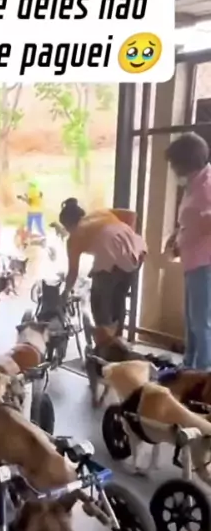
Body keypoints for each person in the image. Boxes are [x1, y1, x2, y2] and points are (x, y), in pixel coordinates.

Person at [59, 198, 146, 334]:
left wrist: (65, 293)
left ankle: (105, 338)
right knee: (118, 299)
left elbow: (73, 272)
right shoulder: (100, 213)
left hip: (111, 257)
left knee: (99, 303)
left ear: (67, 225)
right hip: (136, 252)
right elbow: (131, 215)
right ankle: (116, 337)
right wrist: (124, 240)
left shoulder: (74, 237)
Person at [164, 133, 211, 370]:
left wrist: (194, 229)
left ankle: (202, 374)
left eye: (174, 163)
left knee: (202, 323)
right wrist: (178, 236)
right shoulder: (194, 184)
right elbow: (189, 219)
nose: (173, 168)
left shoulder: (207, 185)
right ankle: (188, 366)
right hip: (193, 262)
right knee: (192, 321)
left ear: (186, 161)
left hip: (205, 263)